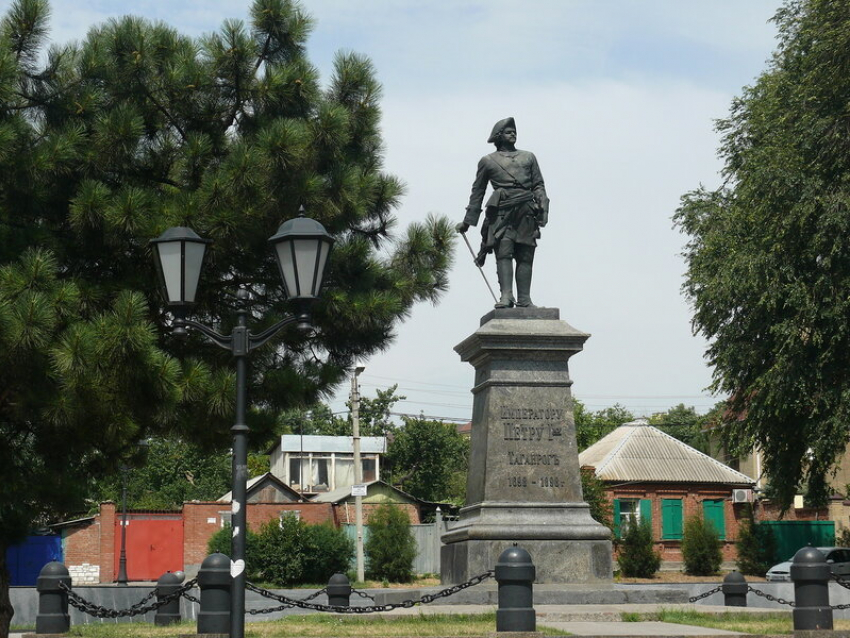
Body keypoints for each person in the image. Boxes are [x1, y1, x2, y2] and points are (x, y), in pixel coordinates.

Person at [457, 117, 549, 308]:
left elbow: (538, 184)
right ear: (498, 136)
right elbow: (478, 192)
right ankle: (506, 295)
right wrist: (467, 221)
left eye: (514, 131)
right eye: (508, 131)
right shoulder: (488, 161)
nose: (513, 134)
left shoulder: (528, 157)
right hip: (502, 212)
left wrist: (542, 205)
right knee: (504, 252)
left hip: (526, 210)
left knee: (525, 255)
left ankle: (524, 299)